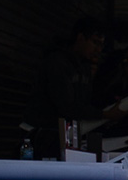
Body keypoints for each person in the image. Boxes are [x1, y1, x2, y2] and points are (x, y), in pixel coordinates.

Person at [45, 16, 106, 151]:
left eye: (101, 44)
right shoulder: (57, 62)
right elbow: (66, 104)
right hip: (45, 134)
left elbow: (83, 103)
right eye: (95, 42)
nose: (98, 49)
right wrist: (103, 114)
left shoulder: (85, 67)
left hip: (68, 135)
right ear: (80, 38)